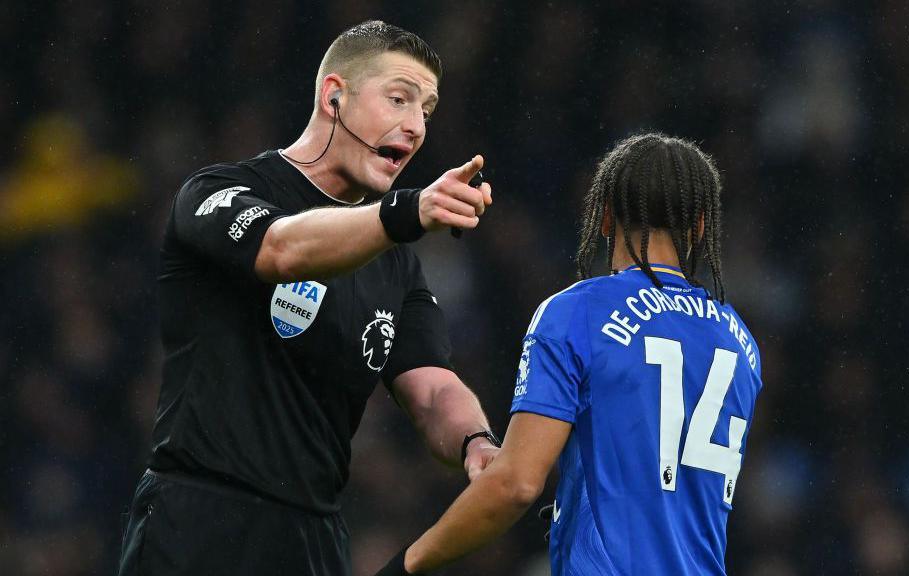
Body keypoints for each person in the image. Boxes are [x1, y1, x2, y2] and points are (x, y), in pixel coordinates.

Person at [117, 20, 502, 576]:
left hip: (313, 539)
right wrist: (406, 214)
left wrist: (476, 441)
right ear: (334, 97)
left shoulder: (395, 262)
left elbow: (432, 385)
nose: (416, 126)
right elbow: (281, 250)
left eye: (427, 110)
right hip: (200, 521)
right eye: (399, 98)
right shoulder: (221, 193)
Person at [374, 133, 763, 575]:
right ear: (698, 226)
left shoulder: (577, 313)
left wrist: (408, 563)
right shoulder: (739, 340)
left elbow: (517, 483)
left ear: (605, 217)